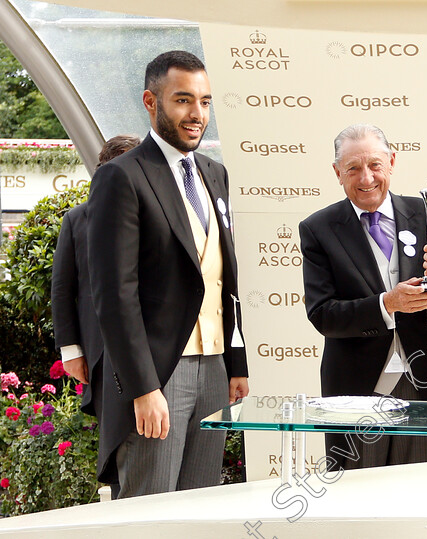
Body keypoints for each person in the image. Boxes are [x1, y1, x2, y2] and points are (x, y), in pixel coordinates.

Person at [86, 50, 249, 498]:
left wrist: (235, 362)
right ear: (151, 102)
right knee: (149, 510)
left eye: (205, 101)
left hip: (214, 367)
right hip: (161, 373)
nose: (197, 114)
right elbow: (115, 295)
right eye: (183, 100)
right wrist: (143, 388)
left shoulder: (215, 175)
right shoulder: (122, 177)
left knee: (198, 507)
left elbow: (223, 277)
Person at [300, 124, 427, 470]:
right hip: (355, 389)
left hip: (422, 381)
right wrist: (386, 304)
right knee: (355, 498)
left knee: (421, 491)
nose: (366, 178)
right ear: (337, 173)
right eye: (353, 169)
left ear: (391, 162)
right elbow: (323, 314)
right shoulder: (318, 229)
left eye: (375, 165)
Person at [51, 134, 141, 499]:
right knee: (119, 437)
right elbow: (62, 288)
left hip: (156, 346)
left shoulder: (161, 212)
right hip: (104, 353)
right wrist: (71, 350)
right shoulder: (78, 219)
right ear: (105, 170)